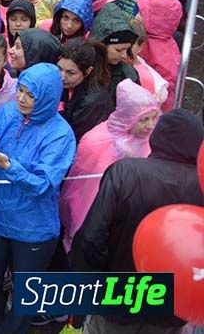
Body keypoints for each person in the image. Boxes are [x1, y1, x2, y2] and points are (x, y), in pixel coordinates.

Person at [70, 110, 204, 334]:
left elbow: (91, 237)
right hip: (171, 307)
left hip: (117, 298)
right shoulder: (200, 186)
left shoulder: (126, 171)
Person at [0, 63, 76, 334]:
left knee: (25, 295)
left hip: (33, 228)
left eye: (31, 95)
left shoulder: (61, 134)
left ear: (48, 98)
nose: (21, 98)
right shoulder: (6, 113)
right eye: (20, 90)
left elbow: (42, 185)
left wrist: (9, 166)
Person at [59, 79, 159, 252]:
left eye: (153, 118)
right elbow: (78, 189)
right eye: (143, 120)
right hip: (92, 221)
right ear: (128, 117)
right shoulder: (97, 140)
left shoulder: (153, 141)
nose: (150, 125)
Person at [58, 38, 114, 142]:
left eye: (70, 73)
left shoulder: (93, 102)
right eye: (59, 69)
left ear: (88, 70)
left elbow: (74, 138)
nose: (62, 77)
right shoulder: (69, 85)